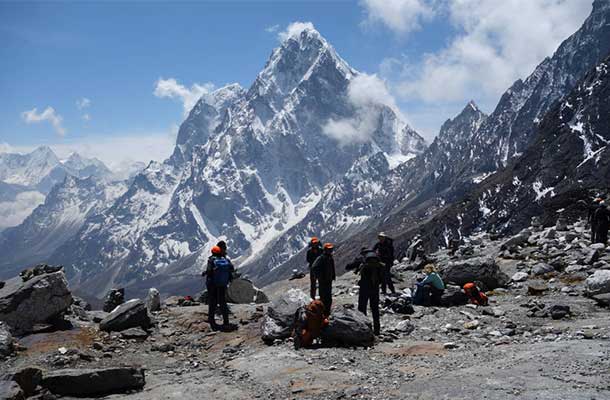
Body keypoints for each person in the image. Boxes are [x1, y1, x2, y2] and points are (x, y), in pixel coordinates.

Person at [347, 248, 382, 335]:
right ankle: (377, 330)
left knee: (362, 308)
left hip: (364, 287)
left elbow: (348, 267)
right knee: (375, 309)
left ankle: (364, 329)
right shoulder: (377, 258)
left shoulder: (362, 259)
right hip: (375, 287)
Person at [205, 245, 236, 331]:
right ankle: (226, 322)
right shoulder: (225, 260)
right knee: (222, 302)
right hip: (222, 284)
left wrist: (206, 273)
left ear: (213, 252)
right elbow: (232, 269)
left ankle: (211, 321)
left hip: (213, 284)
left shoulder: (212, 260)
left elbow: (209, 271)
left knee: (213, 302)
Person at [311, 243, 336, 317]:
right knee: (324, 297)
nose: (330, 250)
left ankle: (327, 312)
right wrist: (320, 277)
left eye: (331, 249)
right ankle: (323, 313)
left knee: (328, 297)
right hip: (323, 281)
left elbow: (332, 267)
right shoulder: (321, 258)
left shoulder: (330, 257)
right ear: (325, 250)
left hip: (329, 280)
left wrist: (333, 276)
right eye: (328, 249)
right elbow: (314, 267)